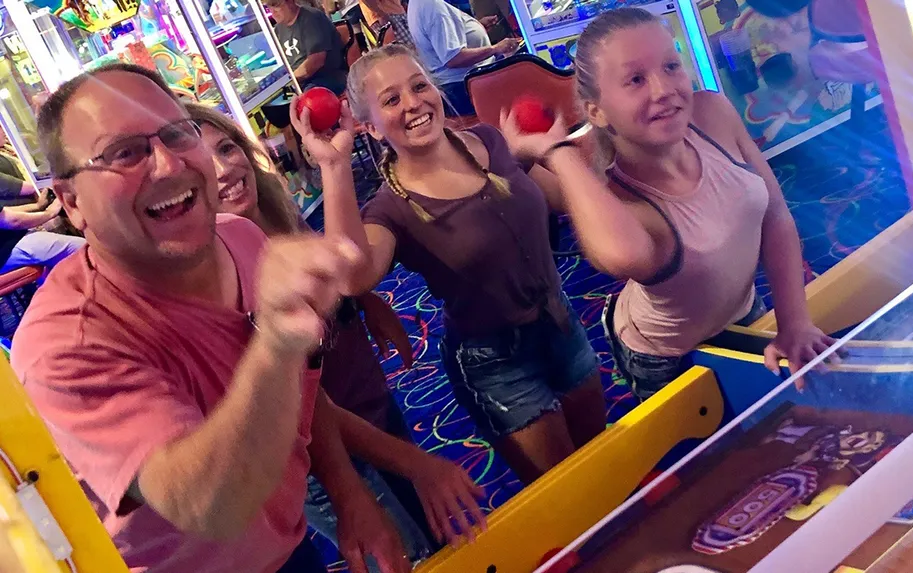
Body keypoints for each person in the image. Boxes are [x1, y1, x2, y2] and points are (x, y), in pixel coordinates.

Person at [12, 62, 483, 573]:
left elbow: (305, 390)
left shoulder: (238, 235)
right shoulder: (65, 342)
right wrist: (277, 340)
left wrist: (349, 494)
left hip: (283, 537)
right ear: (71, 201)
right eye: (124, 153)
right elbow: (207, 506)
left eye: (176, 134)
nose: (169, 166)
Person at [290, 44, 607, 485]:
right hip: (496, 365)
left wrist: (558, 150)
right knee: (572, 493)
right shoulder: (391, 209)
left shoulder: (491, 142)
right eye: (391, 100)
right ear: (371, 127)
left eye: (419, 86)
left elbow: (560, 199)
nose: (413, 103)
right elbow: (351, 275)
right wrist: (334, 164)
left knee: (607, 459)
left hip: (562, 324)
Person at [515, 8, 835, 401]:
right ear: (596, 110)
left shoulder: (713, 112)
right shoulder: (610, 190)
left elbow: (775, 215)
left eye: (671, 65)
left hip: (745, 312)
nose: (663, 89)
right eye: (636, 79)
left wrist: (794, 321)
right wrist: (557, 154)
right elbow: (623, 254)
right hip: (667, 356)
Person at [185, 102, 451, 559]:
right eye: (204, 162)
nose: (226, 168)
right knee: (409, 555)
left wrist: (366, 300)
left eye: (228, 148)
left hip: (368, 401)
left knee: (438, 533)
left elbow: (333, 264)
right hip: (332, 456)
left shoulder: (271, 216)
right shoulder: (220, 272)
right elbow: (310, 412)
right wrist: (411, 462)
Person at [406, 0, 519, 116]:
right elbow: (453, 58)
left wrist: (474, 28)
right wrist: (496, 48)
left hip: (460, 86)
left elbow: (442, 38)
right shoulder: (433, 6)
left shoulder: (418, 3)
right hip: (463, 88)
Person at [267, 0, 349, 95]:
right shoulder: (278, 29)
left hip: (326, 78)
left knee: (306, 103)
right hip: (298, 83)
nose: (272, 11)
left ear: (290, 2)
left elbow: (315, 62)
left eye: (275, 5)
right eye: (268, 7)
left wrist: (289, 80)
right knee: (276, 104)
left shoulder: (312, 18)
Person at [0, 192, 85, 275]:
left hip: (13, 237)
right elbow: (13, 221)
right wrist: (49, 213)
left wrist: (38, 206)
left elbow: (5, 212)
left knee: (53, 225)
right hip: (8, 248)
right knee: (84, 247)